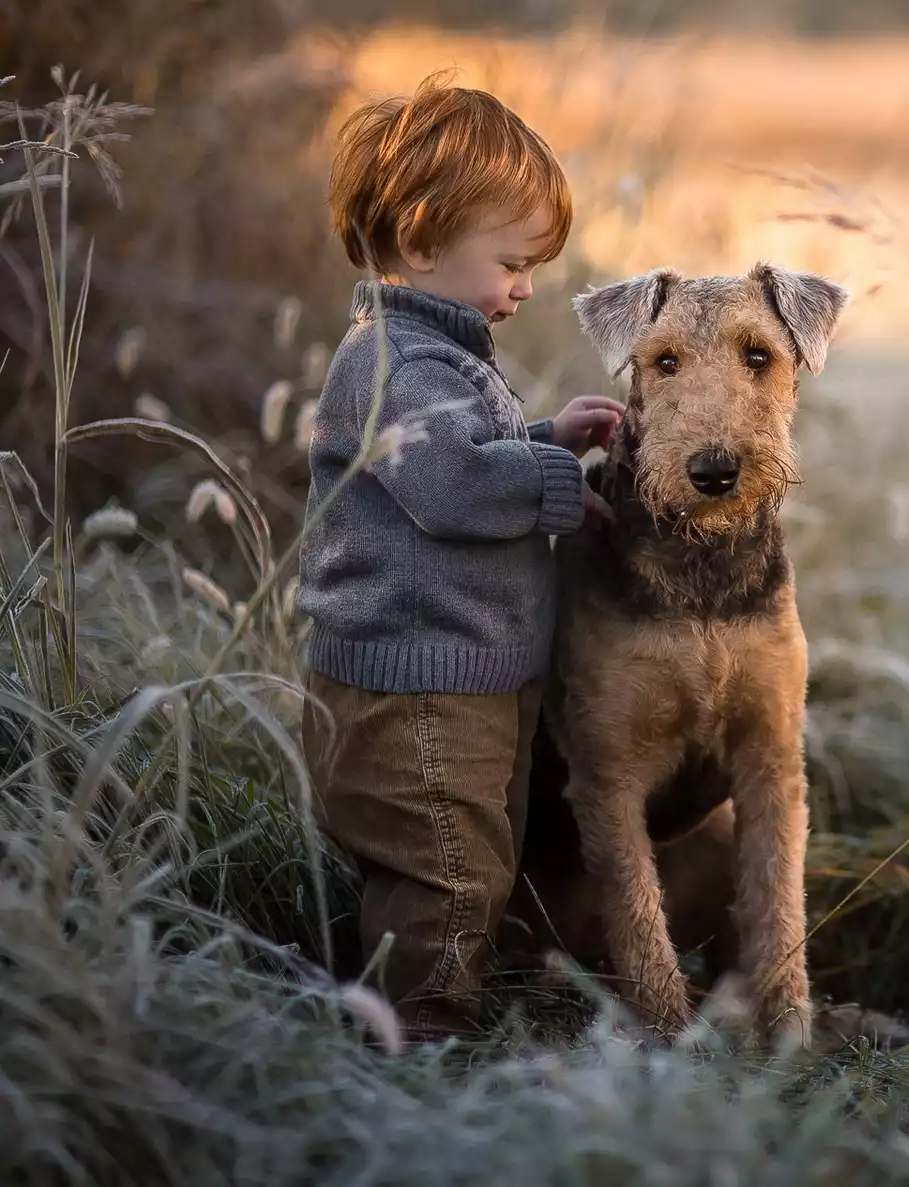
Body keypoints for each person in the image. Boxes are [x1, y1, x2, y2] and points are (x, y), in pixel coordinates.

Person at [295, 72, 621, 1041]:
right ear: (425, 240)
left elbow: (466, 454)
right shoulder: (388, 359)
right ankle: (418, 1043)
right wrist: (562, 487)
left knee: (475, 853)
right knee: (449, 868)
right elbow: (447, 486)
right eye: (514, 261)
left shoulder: (436, 350)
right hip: (417, 693)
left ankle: (408, 998)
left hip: (462, 677)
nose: (526, 286)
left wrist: (546, 434)